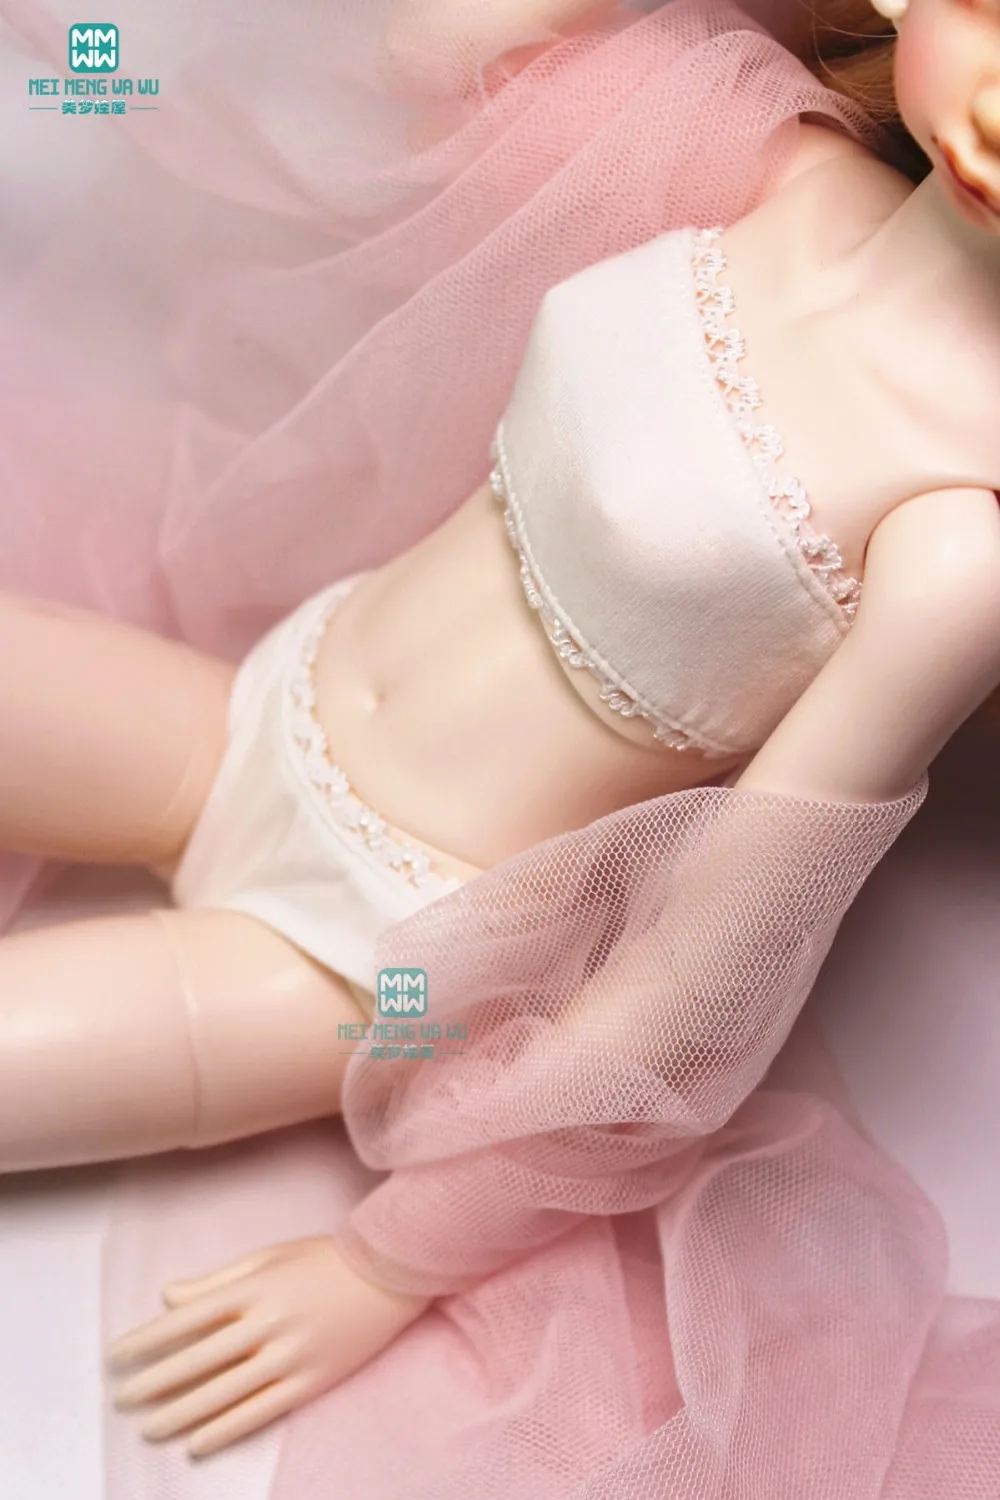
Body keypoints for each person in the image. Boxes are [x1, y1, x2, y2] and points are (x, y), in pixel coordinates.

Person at [0, 0, 998, 1493]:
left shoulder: (960, 546)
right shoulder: (768, 167)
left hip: (375, 957)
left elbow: (711, 960)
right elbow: (433, 55)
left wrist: (388, 1260)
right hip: (255, 702)